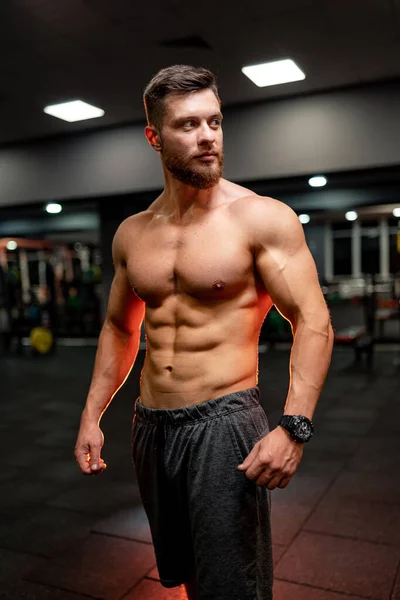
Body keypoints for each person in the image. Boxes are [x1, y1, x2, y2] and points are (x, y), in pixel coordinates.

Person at [74, 65, 334, 599]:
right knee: (184, 570)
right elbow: (119, 329)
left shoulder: (260, 218)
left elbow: (314, 321)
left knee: (232, 583)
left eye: (215, 121)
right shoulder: (133, 233)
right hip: (151, 426)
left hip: (223, 422)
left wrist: (295, 427)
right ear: (155, 137)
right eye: (189, 125)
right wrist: (91, 414)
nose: (208, 136)